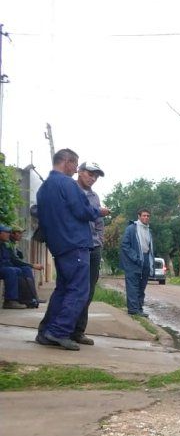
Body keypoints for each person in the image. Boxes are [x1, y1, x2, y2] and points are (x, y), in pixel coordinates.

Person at [36, 148, 108, 350]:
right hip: (75, 243)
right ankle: (59, 332)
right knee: (79, 290)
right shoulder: (67, 184)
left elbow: (40, 214)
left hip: (59, 245)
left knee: (63, 290)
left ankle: (45, 332)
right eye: (75, 165)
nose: (76, 169)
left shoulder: (44, 188)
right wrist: (98, 212)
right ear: (66, 161)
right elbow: (82, 211)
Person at [70, 162, 106, 344]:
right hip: (76, 247)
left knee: (88, 291)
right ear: (80, 172)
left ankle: (78, 331)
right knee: (73, 289)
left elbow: (99, 222)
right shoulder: (70, 190)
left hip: (93, 248)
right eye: (90, 174)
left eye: (96, 176)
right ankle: (64, 330)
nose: (92, 178)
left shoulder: (94, 196)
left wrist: (99, 241)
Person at [119, 208, 155, 317]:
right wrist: (135, 257)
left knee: (141, 286)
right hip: (133, 262)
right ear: (139, 216)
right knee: (132, 286)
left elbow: (150, 248)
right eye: (144, 215)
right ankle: (133, 310)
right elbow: (125, 245)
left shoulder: (149, 230)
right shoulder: (131, 229)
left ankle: (139, 308)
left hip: (145, 261)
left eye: (148, 216)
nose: (146, 217)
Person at [7, 226, 44, 307]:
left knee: (26, 269)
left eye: (21, 233)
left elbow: (18, 259)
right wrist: (33, 265)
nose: (21, 235)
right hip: (8, 266)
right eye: (19, 233)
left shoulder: (13, 244)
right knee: (19, 270)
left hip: (12, 265)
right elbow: (15, 261)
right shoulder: (7, 243)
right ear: (12, 234)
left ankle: (33, 297)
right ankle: (12, 300)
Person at [0, 225, 31, 309]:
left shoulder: (4, 245)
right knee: (11, 271)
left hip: (4, 267)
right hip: (3, 268)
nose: (8, 234)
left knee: (21, 270)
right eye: (6, 232)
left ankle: (26, 298)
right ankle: (9, 301)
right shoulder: (6, 244)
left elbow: (10, 259)